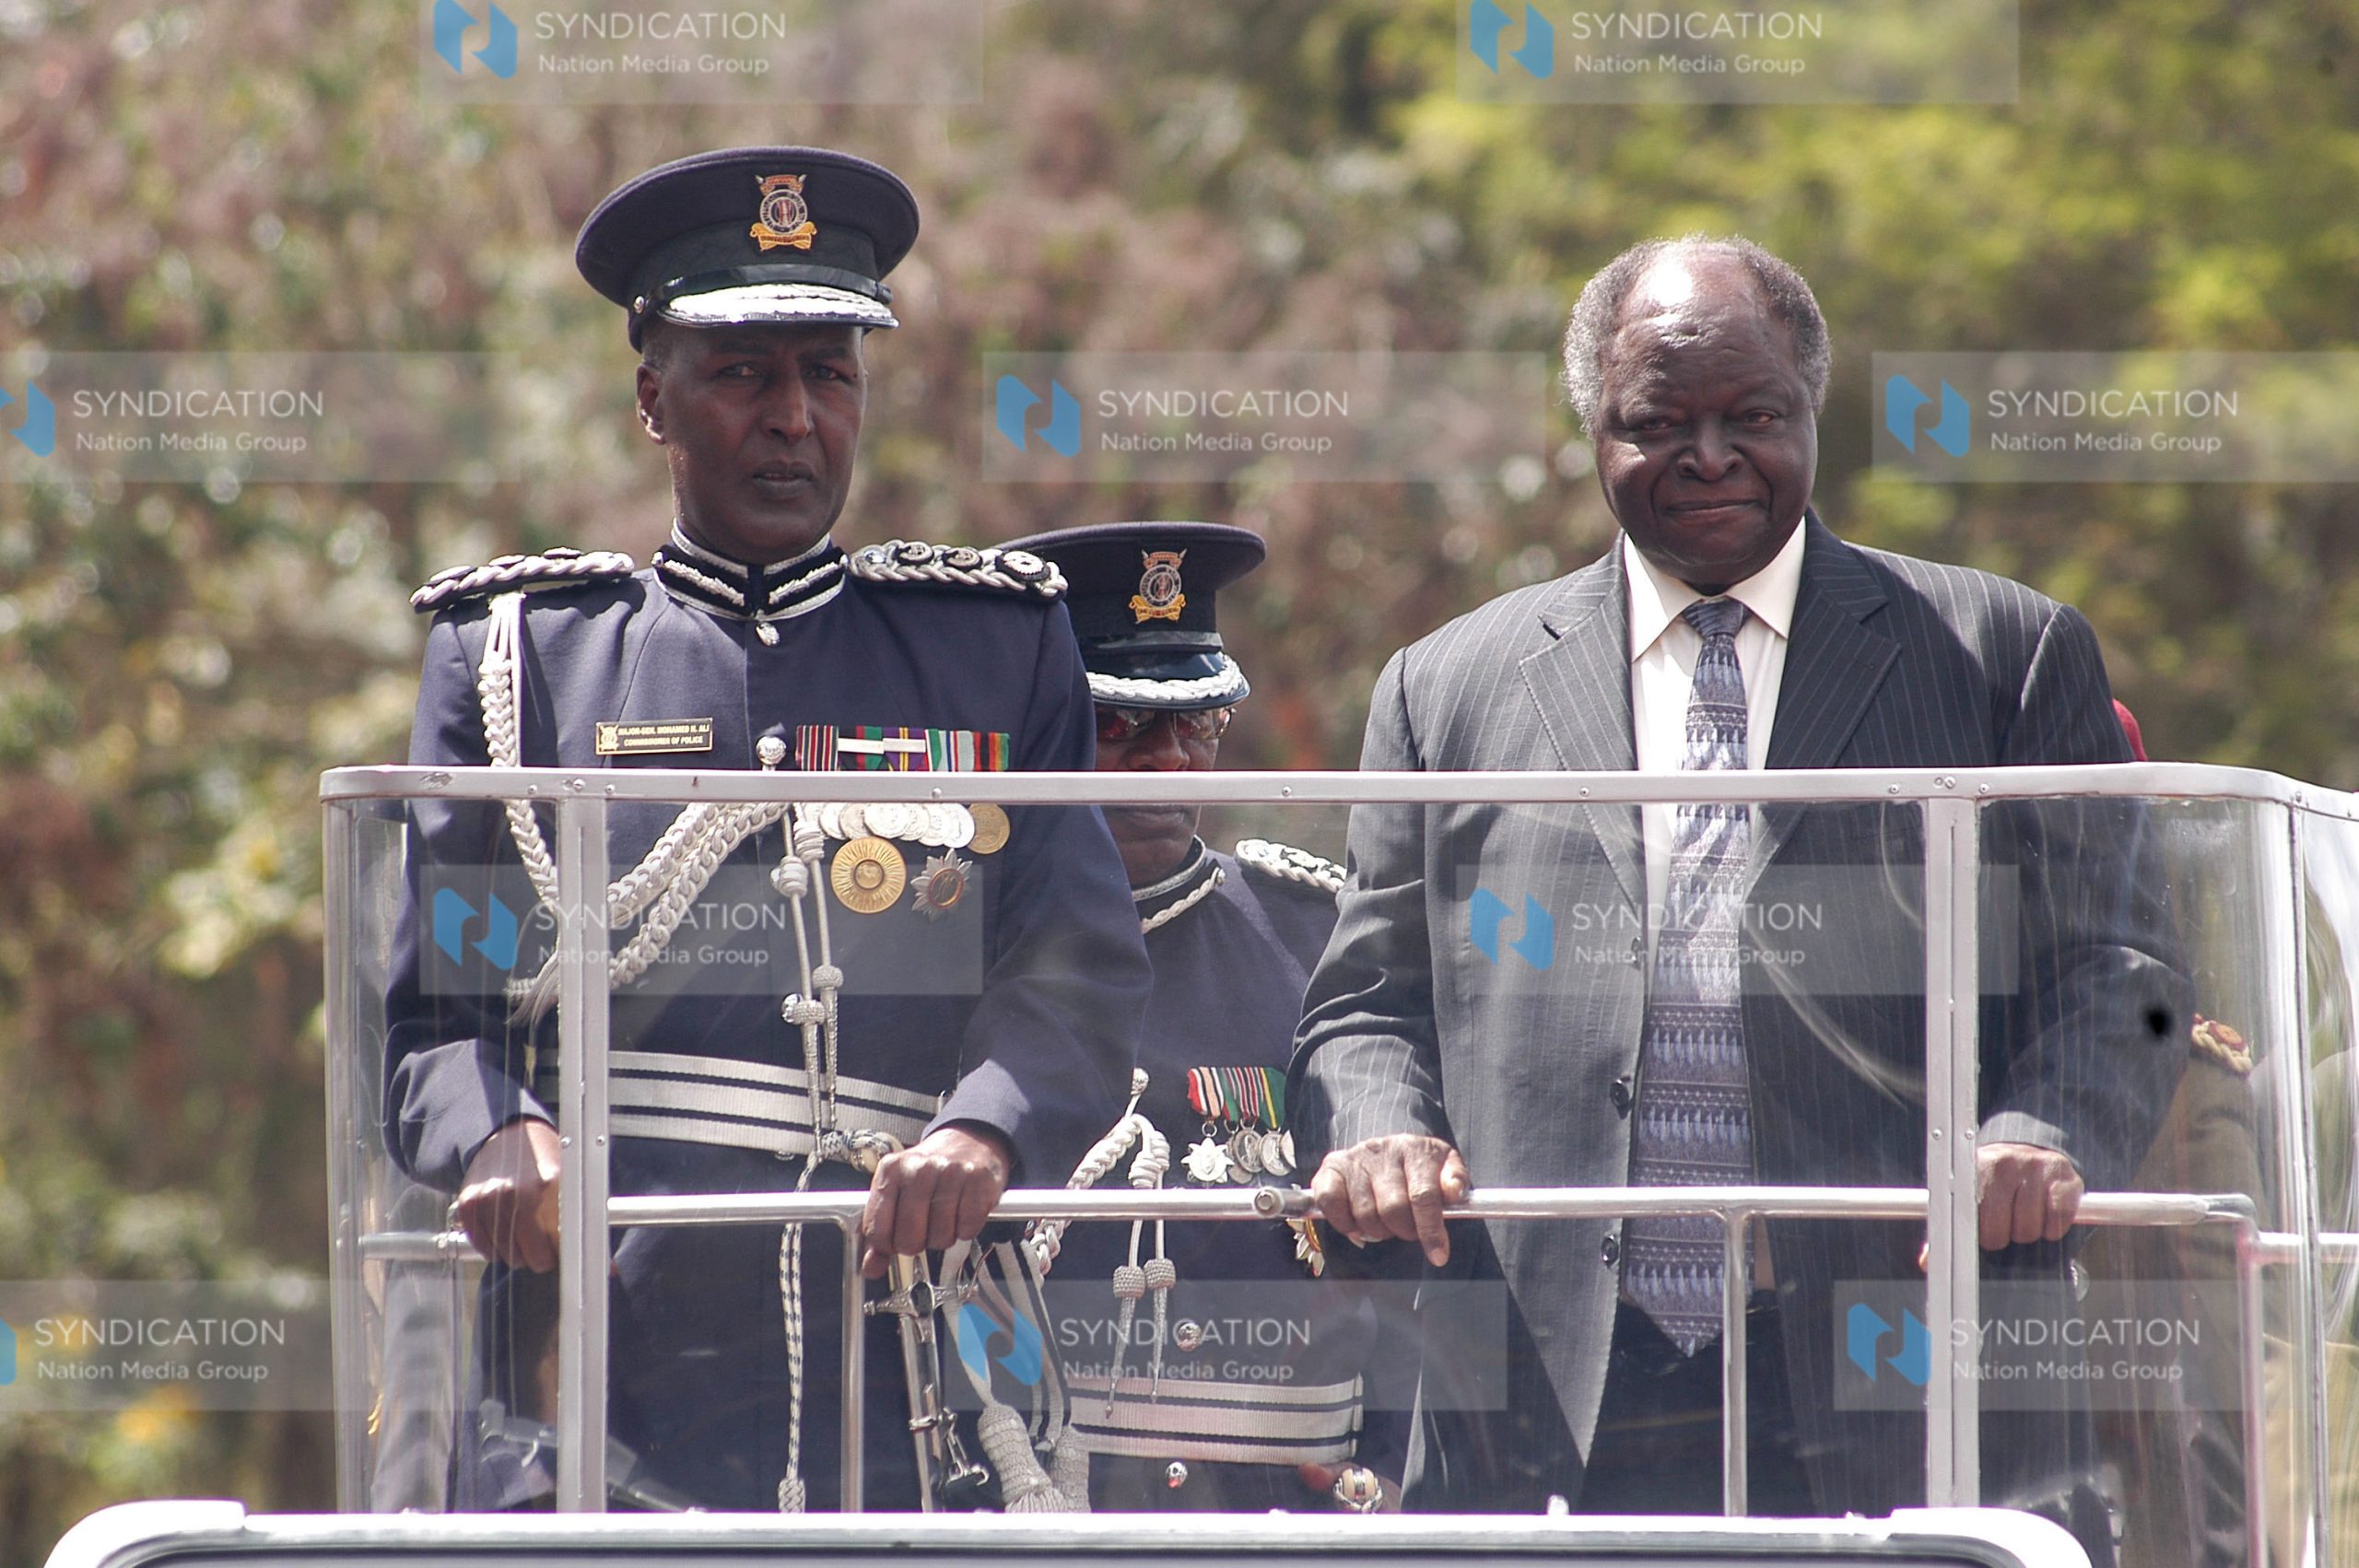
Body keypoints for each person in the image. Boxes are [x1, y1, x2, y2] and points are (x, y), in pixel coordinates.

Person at [1287, 236, 2189, 1550]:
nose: (1709, 454)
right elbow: (1363, 1005)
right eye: (1659, 421)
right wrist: (1379, 1128)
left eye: (1751, 415)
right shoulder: (1446, 687)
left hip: (1906, 1362)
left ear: (1810, 410)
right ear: (1593, 431)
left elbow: (2124, 968)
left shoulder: (2000, 654)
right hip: (1546, 1394)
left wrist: (2043, 1130)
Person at [381, 146, 1150, 1512]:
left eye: (830, 373)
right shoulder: (524, 664)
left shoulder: (994, 649)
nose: (794, 416)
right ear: (651, 400)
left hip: (918, 1346)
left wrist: (985, 1132)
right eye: (743, 374)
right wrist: (498, 1129)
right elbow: (447, 1014)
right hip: (605, 1354)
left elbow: (1075, 964)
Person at [1006, 521, 1402, 1514]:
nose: (1165, 759)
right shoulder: (970, 945)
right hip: (1030, 1488)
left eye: (1195, 724)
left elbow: (1394, 1245)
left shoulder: (1310, 935)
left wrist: (1386, 1457)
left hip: (1274, 1495)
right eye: (1120, 726)